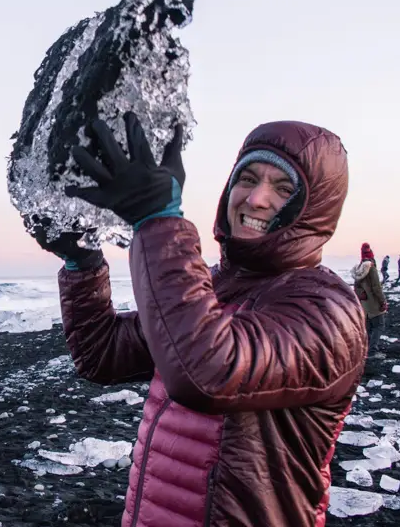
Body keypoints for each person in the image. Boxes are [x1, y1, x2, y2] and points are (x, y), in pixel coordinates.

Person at [30, 114, 366, 527]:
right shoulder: (211, 287)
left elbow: (209, 372)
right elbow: (103, 355)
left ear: (316, 208)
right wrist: (83, 262)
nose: (256, 199)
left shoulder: (326, 309)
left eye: (283, 188)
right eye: (247, 179)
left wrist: (158, 221)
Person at [353, 243, 388, 358]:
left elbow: (356, 287)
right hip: (373, 302)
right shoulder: (371, 268)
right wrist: (382, 301)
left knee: (368, 327)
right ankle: (372, 351)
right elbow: (376, 287)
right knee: (379, 325)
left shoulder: (359, 268)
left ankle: (365, 349)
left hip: (365, 303)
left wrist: (360, 294)